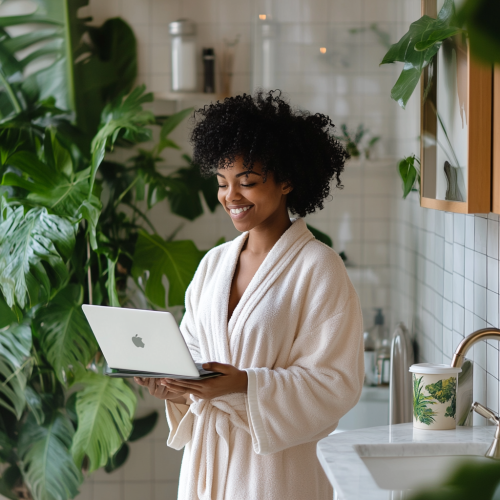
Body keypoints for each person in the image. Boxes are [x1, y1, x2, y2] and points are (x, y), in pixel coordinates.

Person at [135, 90, 364, 500]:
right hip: (208, 465)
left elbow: (336, 383)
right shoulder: (213, 265)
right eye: (222, 183)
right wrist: (176, 385)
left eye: (248, 182)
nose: (231, 197)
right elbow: (191, 351)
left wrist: (243, 384)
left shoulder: (318, 267)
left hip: (276, 473)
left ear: (287, 180)